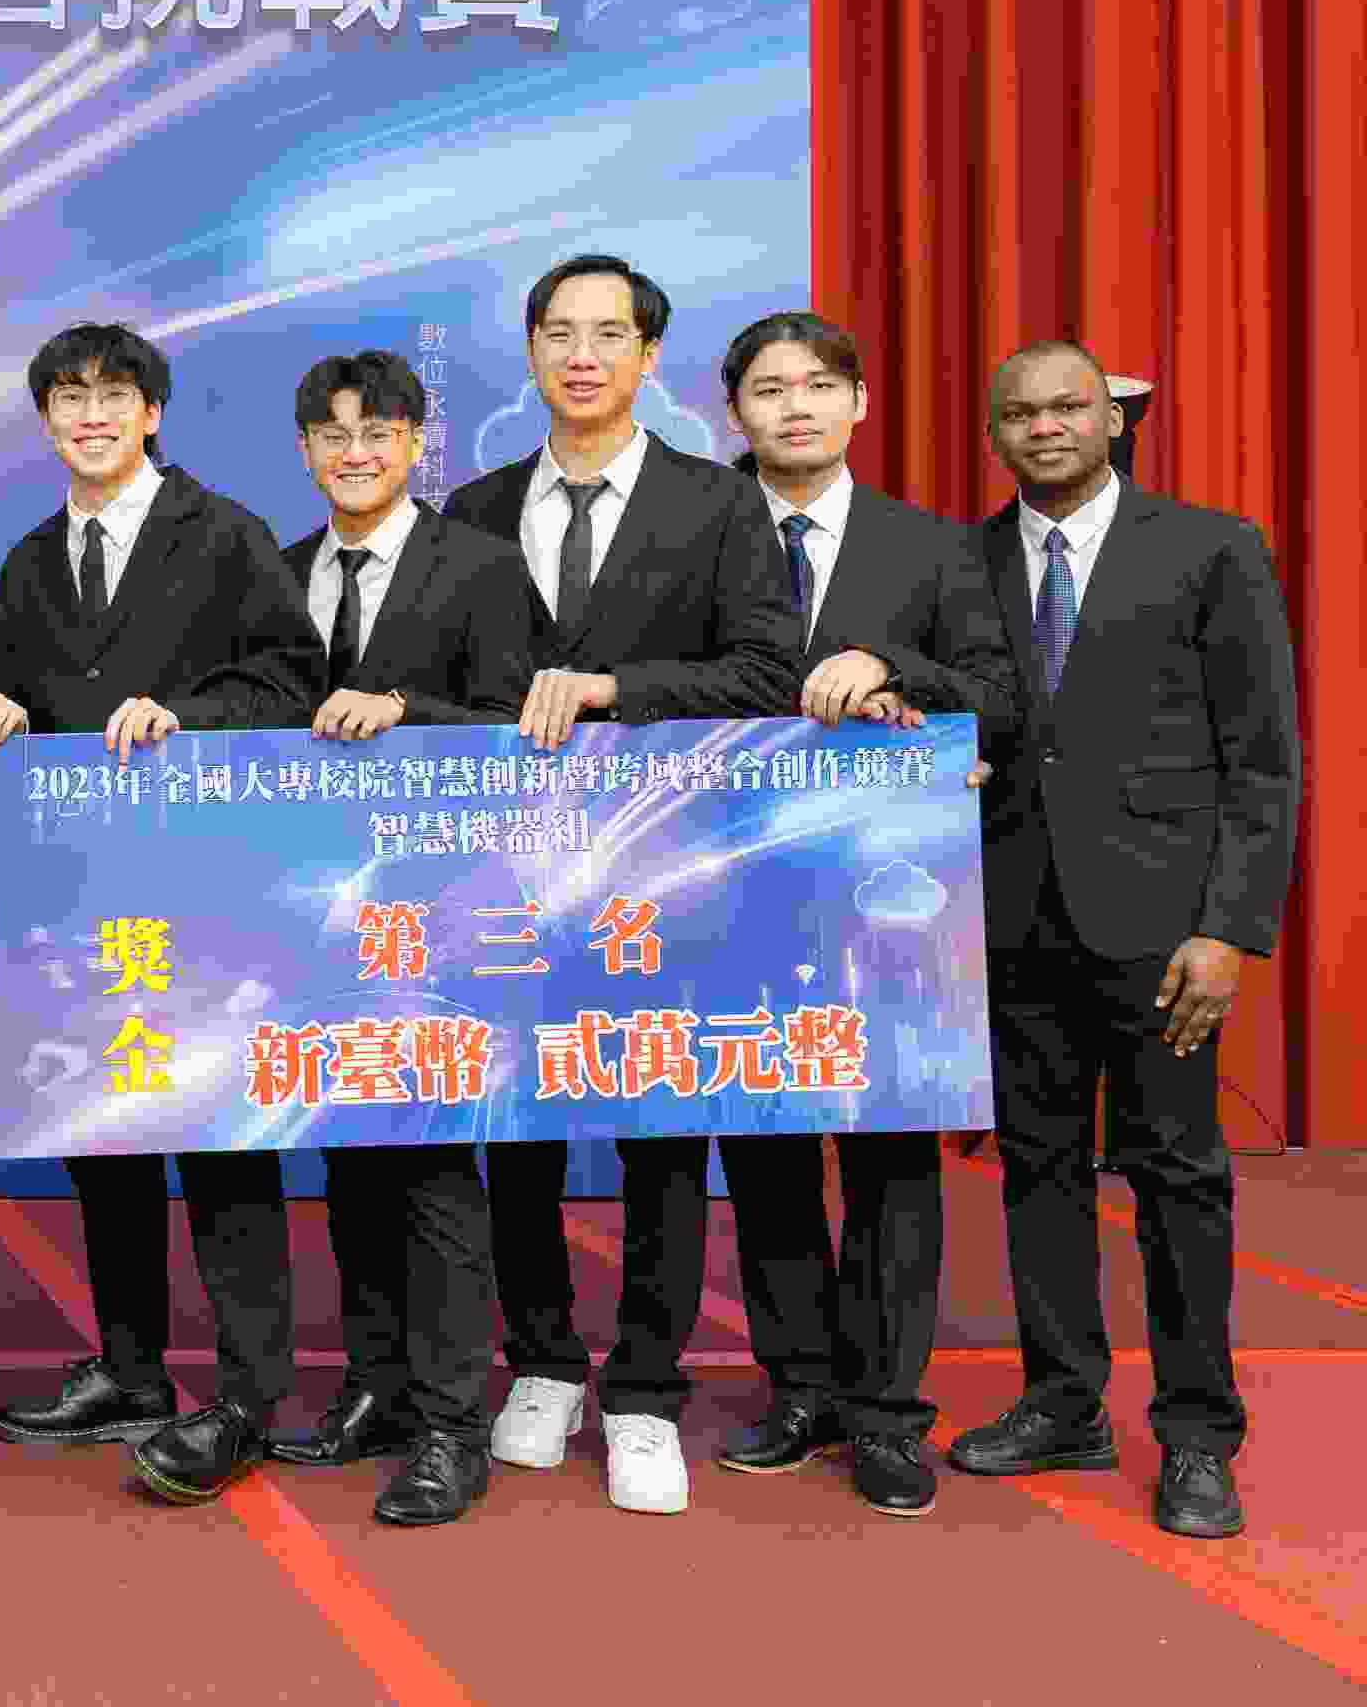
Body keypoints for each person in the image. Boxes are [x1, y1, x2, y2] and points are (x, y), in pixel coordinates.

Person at [443, 254, 798, 1515]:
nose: (581, 354)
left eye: (608, 334)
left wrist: (615, 689)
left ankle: (647, 1385)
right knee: (519, 1127)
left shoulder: (719, 503)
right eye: (558, 332)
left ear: (650, 356)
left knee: (660, 1135)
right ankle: (542, 1357)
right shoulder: (473, 508)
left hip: (668, 872)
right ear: (530, 350)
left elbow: (766, 670)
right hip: (513, 874)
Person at [0, 323, 323, 1510]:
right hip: (80, 896)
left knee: (222, 1148)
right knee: (105, 1130)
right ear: (46, 420)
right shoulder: (30, 560)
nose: (92, 414)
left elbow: (289, 676)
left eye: (114, 394)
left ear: (154, 412)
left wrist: (186, 713)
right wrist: (5, 708)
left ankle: (251, 1395)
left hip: (208, 891)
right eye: (69, 398)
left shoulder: (225, 534)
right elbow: (22, 689)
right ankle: (130, 1368)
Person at [948, 341, 1297, 1540]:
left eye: (1068, 406)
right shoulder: (965, 559)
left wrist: (1228, 926)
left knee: (1177, 1175)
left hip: (1161, 927)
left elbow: (1263, 756)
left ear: (1112, 418)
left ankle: (1198, 1432)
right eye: (1020, 412)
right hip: (1011, 915)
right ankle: (1063, 1400)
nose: (1044, 426)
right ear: (995, 433)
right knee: (1036, 1169)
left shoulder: (1210, 546)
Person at [703, 312, 1018, 1517]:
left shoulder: (932, 548)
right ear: (735, 410)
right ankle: (801, 1389)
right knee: (767, 1149)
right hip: (730, 889)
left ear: (859, 402)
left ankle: (886, 1410)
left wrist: (893, 667)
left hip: (890, 898)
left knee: (891, 1154)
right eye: (769, 388)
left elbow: (997, 696)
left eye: (819, 384)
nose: (795, 406)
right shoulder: (694, 534)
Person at [258, 351, 537, 1527]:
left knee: (434, 1175)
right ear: (305, 450)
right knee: (351, 1168)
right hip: (318, 921)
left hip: (442, 918)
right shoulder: (277, 573)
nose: (355, 451)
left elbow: (518, 724)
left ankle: (452, 1426)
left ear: (418, 441)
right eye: (331, 433)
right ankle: (376, 1384)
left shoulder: (480, 565)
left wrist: (407, 710)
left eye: (377, 430)